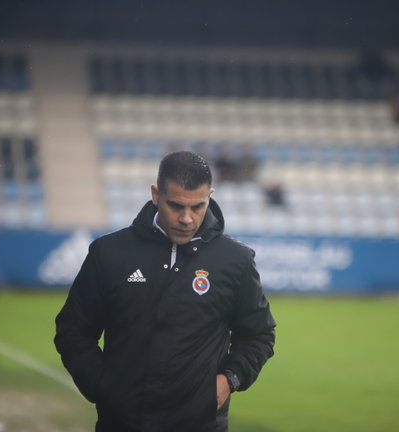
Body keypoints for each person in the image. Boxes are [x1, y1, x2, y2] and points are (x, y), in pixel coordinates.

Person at [55, 151, 276, 432]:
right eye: (176, 206)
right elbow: (73, 331)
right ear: (155, 194)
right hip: (121, 423)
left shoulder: (235, 260)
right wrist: (102, 386)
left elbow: (259, 334)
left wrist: (229, 379)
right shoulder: (109, 253)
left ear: (210, 195)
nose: (187, 218)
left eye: (198, 206)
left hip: (200, 424)